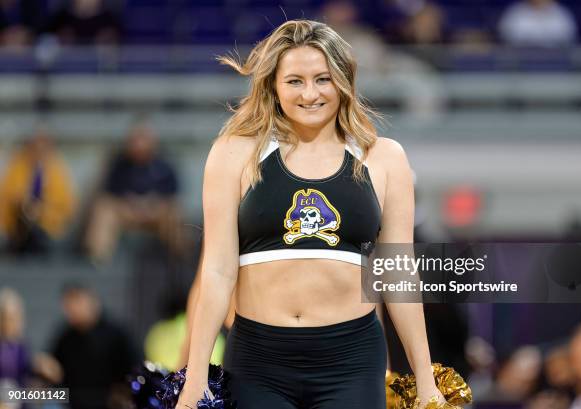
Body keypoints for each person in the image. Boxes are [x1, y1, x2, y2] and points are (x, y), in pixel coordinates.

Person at [176, 20, 447, 409]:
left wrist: (425, 381)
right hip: (258, 359)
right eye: (295, 81)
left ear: (344, 81)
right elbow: (217, 271)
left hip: (352, 359)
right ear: (273, 85)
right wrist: (195, 375)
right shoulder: (233, 153)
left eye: (323, 79)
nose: (310, 93)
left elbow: (398, 275)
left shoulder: (385, 158)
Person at [85, 119, 183, 263]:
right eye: (136, 139)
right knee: (104, 209)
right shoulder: (120, 163)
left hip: (154, 212)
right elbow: (110, 191)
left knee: (175, 211)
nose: (139, 144)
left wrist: (152, 203)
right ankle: (97, 259)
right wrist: (131, 202)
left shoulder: (163, 164)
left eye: (144, 139)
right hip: (128, 212)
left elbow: (172, 192)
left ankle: (178, 261)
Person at [49, 283, 139, 409]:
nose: (73, 310)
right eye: (68, 306)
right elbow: (55, 367)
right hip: (74, 403)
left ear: (91, 303)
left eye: (77, 303)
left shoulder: (116, 334)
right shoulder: (65, 337)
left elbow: (133, 368)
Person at [0, 127, 77, 255]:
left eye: (44, 146)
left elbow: (66, 204)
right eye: (36, 146)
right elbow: (9, 194)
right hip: (18, 222)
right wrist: (25, 202)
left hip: (48, 225)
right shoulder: (18, 165)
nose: (39, 151)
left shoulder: (57, 169)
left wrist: (41, 209)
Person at [498, 0, 577, 47]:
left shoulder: (562, 14)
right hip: (521, 64)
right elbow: (506, 41)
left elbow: (568, 41)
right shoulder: (515, 13)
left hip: (556, 64)